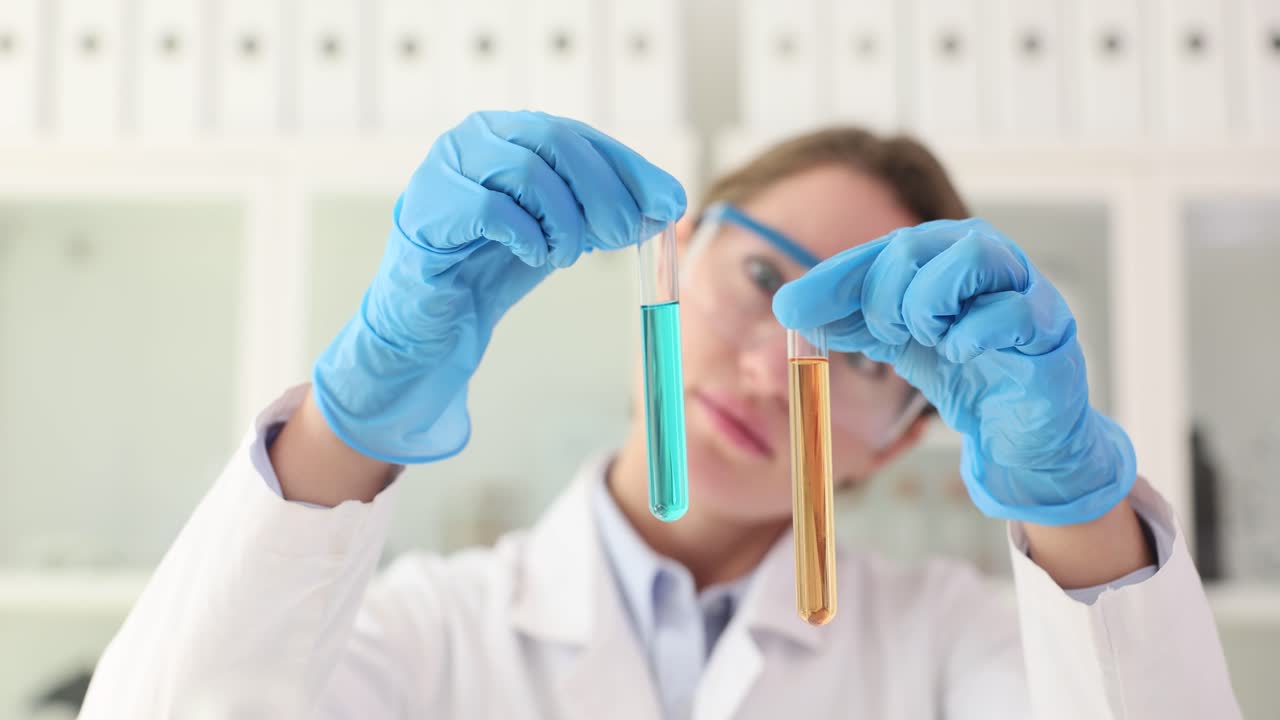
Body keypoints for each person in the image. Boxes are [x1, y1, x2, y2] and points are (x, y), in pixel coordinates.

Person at [80, 112, 1239, 719]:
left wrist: (1070, 505)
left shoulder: (947, 643)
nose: (770, 366)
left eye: (860, 351)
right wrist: (355, 414)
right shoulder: (434, 629)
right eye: (758, 278)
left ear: (900, 438)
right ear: (672, 257)